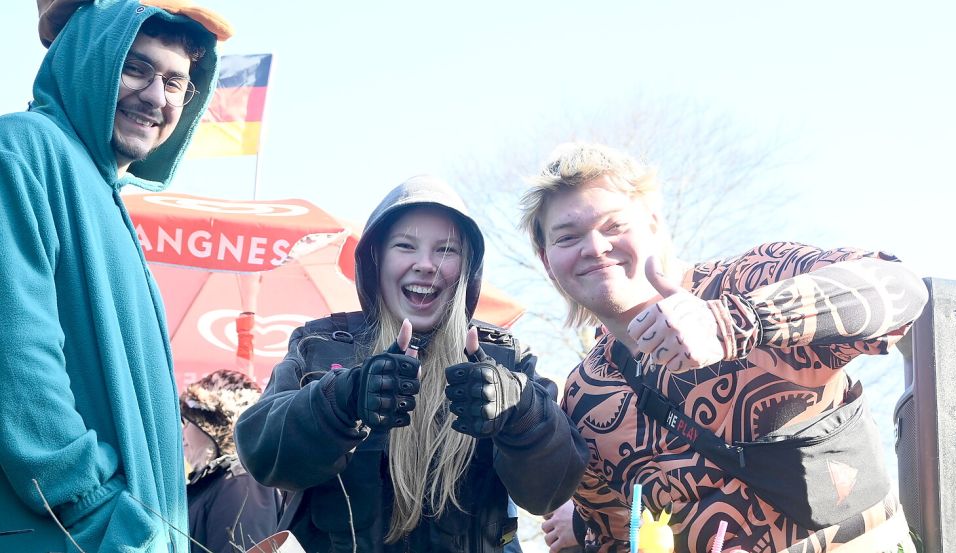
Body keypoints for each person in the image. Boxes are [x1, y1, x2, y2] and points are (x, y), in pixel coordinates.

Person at [519, 143, 929, 553]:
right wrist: (582, 526)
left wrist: (734, 322)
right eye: (568, 237)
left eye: (613, 225)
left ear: (653, 225)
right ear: (546, 260)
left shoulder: (748, 280)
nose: (594, 247)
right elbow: (613, 535)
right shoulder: (583, 396)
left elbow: (899, 287)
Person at [235, 175, 589, 552]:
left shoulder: (507, 357)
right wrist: (342, 399)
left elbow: (549, 491)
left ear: (467, 267)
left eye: (446, 250)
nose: (425, 264)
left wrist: (522, 411)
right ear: (376, 258)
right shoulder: (319, 345)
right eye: (405, 246)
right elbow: (263, 454)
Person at [0, 1, 230, 551]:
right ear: (86, 59)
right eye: (135, 68)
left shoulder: (106, 197)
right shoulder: (24, 148)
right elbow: (19, 357)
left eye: (176, 82)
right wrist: (98, 509)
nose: (156, 97)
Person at [182, 370, 280, 553]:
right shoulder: (218, 481)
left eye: (188, 423)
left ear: (213, 429)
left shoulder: (241, 483)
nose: (183, 434)